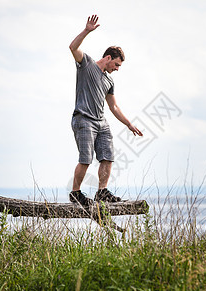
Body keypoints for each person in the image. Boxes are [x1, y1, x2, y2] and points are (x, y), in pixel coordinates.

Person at [69, 15, 143, 205]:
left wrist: (129, 124)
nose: (117, 69)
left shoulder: (109, 81)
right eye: (117, 64)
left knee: (107, 156)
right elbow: (73, 48)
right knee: (86, 159)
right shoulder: (87, 65)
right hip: (83, 119)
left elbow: (114, 106)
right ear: (108, 58)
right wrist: (86, 31)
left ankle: (102, 192)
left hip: (101, 122)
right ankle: (75, 193)